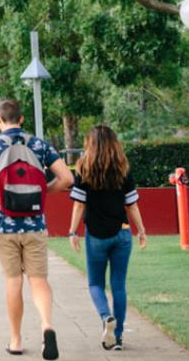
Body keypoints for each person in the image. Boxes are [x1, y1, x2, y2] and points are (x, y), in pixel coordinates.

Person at [0, 98, 73, 360]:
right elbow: (68, 179)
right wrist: (44, 191)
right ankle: (47, 326)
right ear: (21, 119)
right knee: (38, 280)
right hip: (35, 224)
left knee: (13, 281)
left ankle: (15, 340)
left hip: (5, 226)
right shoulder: (39, 145)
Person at [67, 125, 147, 352]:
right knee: (119, 285)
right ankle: (118, 338)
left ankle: (106, 317)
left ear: (90, 144)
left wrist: (72, 232)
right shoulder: (123, 168)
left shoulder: (83, 168)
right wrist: (141, 230)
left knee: (95, 283)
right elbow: (131, 205)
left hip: (96, 235)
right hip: (122, 232)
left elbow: (79, 204)